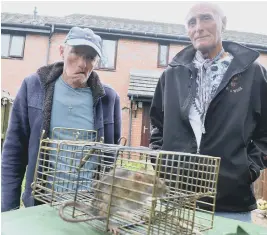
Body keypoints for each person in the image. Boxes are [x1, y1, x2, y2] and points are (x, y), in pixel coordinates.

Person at [149, 2, 267, 222]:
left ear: (223, 23)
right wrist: (160, 162)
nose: (198, 27)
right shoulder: (171, 75)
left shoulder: (252, 73)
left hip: (231, 204)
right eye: (191, 22)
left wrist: (247, 169)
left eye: (206, 18)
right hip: (175, 200)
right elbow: (157, 125)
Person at [1, 26, 122, 212]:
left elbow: (110, 161)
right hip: (42, 206)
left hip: (89, 210)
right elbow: (14, 154)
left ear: (96, 62)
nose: (82, 63)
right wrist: (9, 212)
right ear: (62, 51)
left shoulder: (109, 99)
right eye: (76, 52)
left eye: (90, 57)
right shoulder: (34, 87)